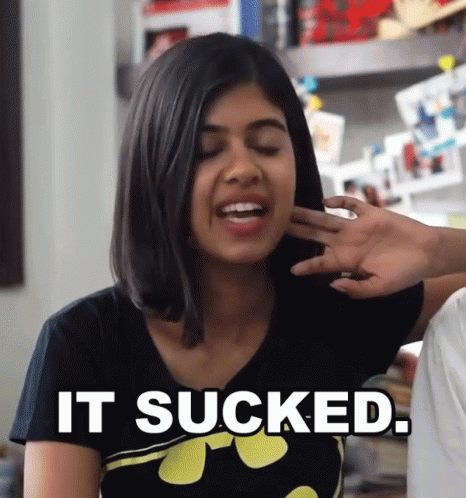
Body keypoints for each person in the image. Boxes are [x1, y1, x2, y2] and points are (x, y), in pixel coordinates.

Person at [9, 33, 466, 498]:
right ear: (155, 172)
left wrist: (436, 247)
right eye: (207, 151)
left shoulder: (337, 310)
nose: (244, 169)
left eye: (266, 145)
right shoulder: (84, 345)